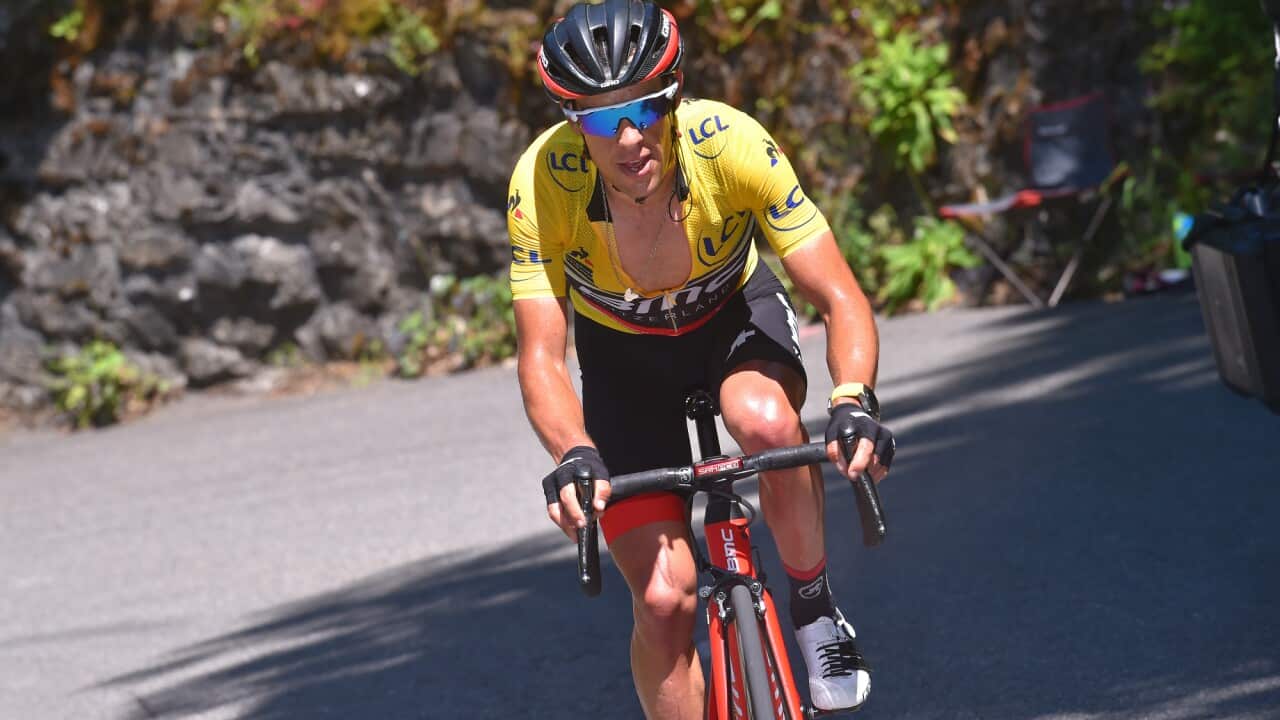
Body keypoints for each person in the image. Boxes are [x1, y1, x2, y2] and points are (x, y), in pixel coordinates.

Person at [508, 1, 895, 716]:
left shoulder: (732, 144)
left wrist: (853, 400)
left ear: (675, 92)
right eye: (600, 118)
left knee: (765, 420)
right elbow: (540, 353)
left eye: (647, 107)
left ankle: (812, 609)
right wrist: (573, 452)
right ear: (571, 119)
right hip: (624, 361)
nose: (628, 137)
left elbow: (840, 295)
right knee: (662, 600)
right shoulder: (541, 184)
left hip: (732, 323)